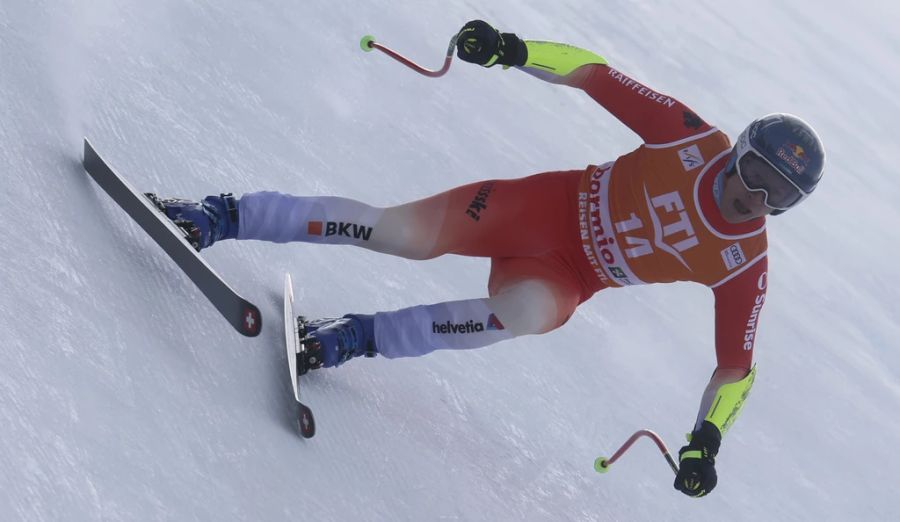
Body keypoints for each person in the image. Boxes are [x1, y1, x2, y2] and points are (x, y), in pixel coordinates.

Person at [150, 20, 825, 497]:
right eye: (757, 173)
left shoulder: (745, 262)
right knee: (397, 234)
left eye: (780, 196)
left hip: (568, 276)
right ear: (736, 153)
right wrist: (512, 49)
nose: (756, 198)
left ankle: (353, 337)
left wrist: (705, 440)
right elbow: (594, 73)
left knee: (520, 315)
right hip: (536, 209)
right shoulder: (690, 137)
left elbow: (736, 366)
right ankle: (220, 216)